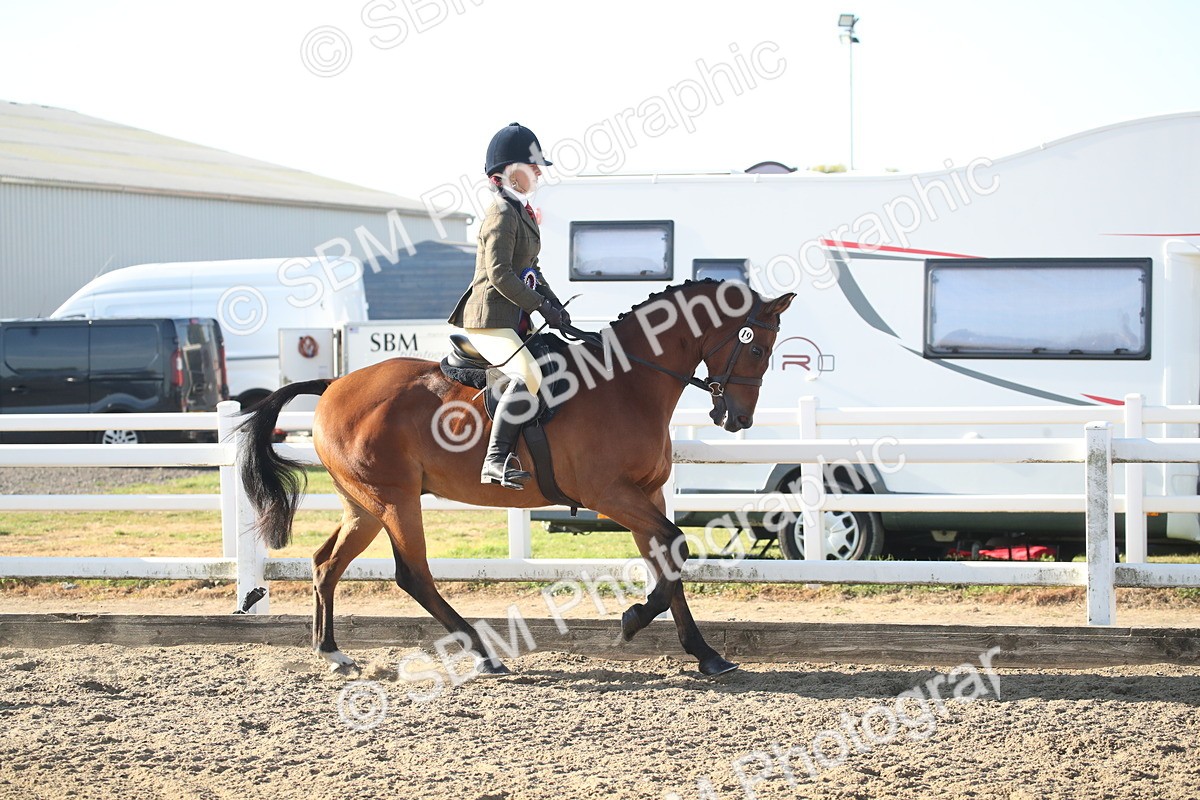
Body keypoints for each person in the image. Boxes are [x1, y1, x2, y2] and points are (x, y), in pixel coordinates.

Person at [447, 123, 571, 490]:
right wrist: (539, 306)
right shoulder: (500, 212)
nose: (538, 172)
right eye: (531, 166)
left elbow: (531, 270)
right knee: (528, 375)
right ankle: (495, 460)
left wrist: (555, 305)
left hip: (514, 320)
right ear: (505, 173)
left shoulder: (523, 213)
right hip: (489, 321)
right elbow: (500, 274)